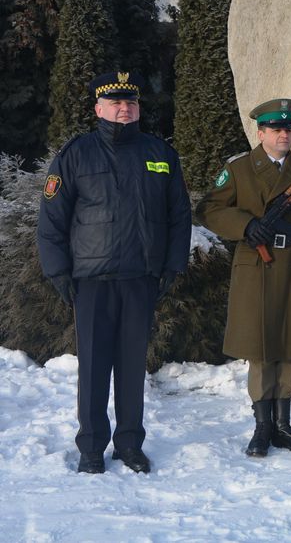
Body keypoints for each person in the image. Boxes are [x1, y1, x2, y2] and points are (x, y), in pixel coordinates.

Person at [36, 71, 191, 474]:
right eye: (116, 103)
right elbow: (51, 220)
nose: (125, 109)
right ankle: (90, 448)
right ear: (98, 109)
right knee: (92, 367)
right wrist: (58, 272)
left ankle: (129, 444)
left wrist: (173, 265)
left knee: (130, 366)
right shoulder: (76, 155)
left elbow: (179, 215)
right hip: (91, 282)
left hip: (140, 279)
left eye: (131, 103)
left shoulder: (160, 154)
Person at [196, 98, 291, 457]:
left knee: (289, 344)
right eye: (276, 129)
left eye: (288, 128)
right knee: (260, 346)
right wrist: (246, 225)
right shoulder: (240, 170)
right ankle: (262, 426)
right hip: (256, 267)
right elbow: (208, 208)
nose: (284, 134)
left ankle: (284, 424)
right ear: (261, 133)